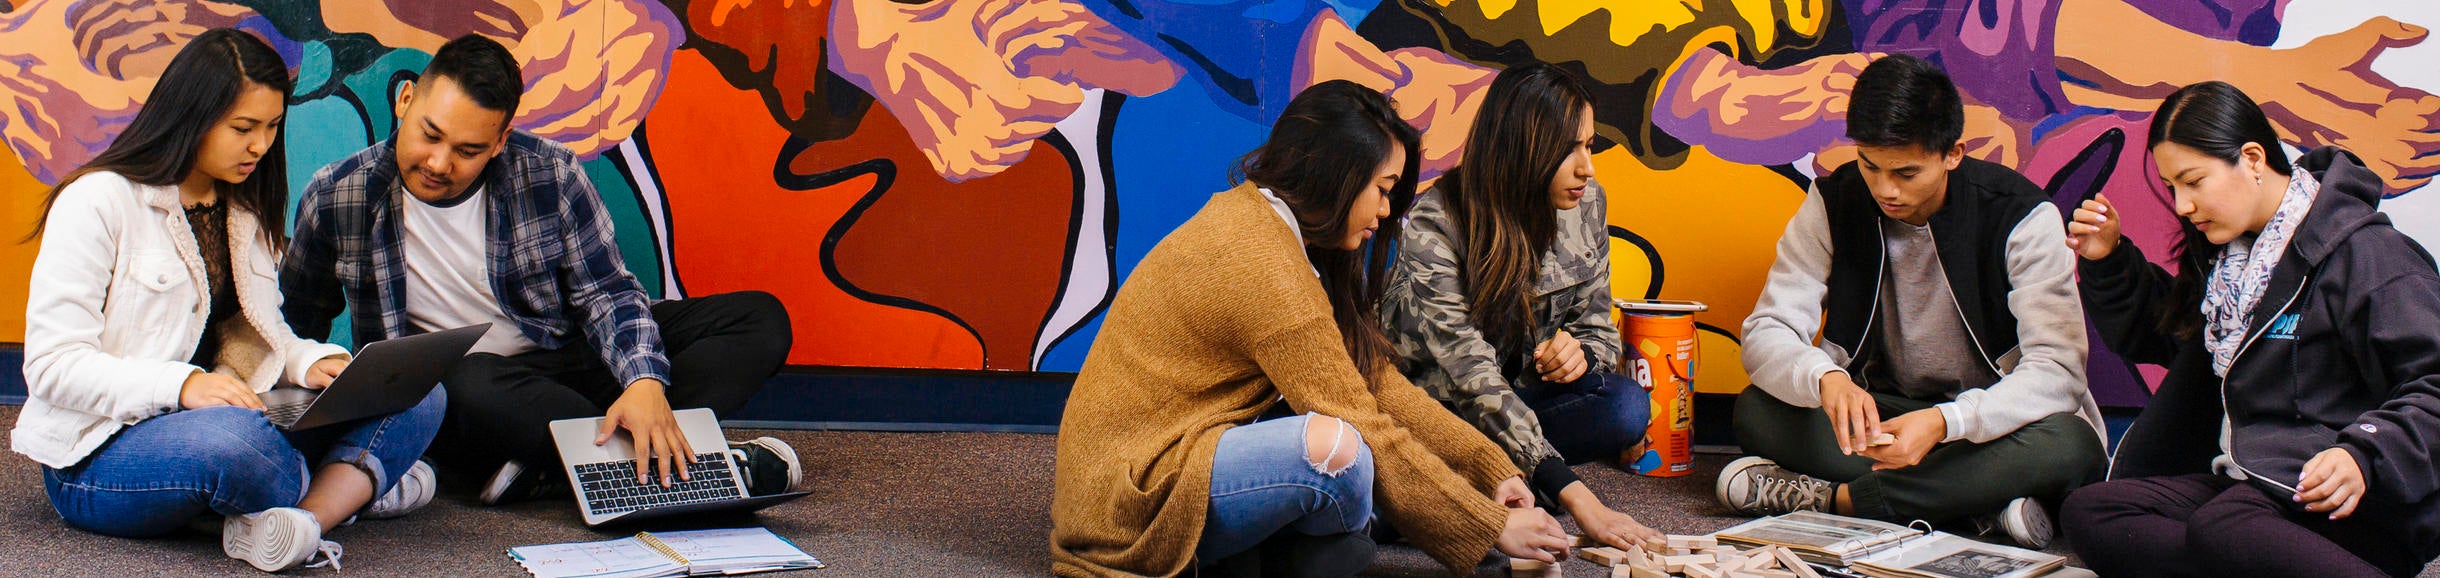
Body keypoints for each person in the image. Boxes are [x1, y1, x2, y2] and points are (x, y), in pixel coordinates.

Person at [1050, 80, 1573, 577]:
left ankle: (1285, 551)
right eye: (1382, 188)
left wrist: (1490, 468)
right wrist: (1489, 525)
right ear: (1336, 175)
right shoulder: (1264, 263)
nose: (1387, 209)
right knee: (1340, 452)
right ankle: (1290, 551)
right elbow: (1361, 418)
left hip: (1153, 460)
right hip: (1129, 497)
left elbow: (1378, 383)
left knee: (1355, 467)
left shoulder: (1269, 227)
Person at [280, 34, 798, 506]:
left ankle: (557, 464)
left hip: (567, 363)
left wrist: (643, 383)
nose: (439, 163)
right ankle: (672, 462)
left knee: (760, 320)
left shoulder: (549, 173)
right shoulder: (338, 196)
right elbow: (298, 320)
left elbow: (609, 294)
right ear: (406, 100)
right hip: (470, 390)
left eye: (468, 151)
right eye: (429, 135)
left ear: (501, 140)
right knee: (465, 379)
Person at [14, 28, 443, 572]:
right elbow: (52, 366)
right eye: (243, 128)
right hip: (103, 454)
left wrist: (311, 363)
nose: (260, 146)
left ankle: (302, 520)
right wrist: (184, 385)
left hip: (237, 421)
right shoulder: (98, 201)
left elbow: (264, 334)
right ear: (190, 115)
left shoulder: (243, 209)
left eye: (271, 128)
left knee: (420, 389)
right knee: (243, 444)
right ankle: (356, 486)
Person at [1721, 53, 2106, 548]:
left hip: (1989, 424)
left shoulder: (2022, 217)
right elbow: (1767, 330)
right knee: (1757, 410)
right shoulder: (1833, 199)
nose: (1886, 189)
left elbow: (2058, 373)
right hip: (1885, 417)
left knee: (2072, 445)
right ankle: (1977, 504)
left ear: (1953, 153)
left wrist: (1947, 422)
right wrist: (1827, 379)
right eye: (1869, 165)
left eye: (1906, 172)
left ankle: (1837, 502)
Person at [2059, 80, 2440, 577]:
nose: (2182, 205)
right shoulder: (2233, 265)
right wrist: (2109, 260)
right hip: (2255, 482)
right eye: (2173, 187)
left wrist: (2364, 452)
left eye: (2194, 181)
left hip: (2353, 500)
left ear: (2254, 159)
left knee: (2226, 527)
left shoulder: (2370, 254)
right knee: (2094, 510)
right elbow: (2167, 337)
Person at [1378, 62, 1661, 550]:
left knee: (1625, 406)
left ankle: (1481, 489)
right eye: (1566, 149)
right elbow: (1471, 378)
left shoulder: (1587, 203)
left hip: (1522, 404)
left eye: (1588, 146)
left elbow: (1599, 331)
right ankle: (1469, 490)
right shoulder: (1434, 225)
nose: (1586, 167)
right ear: (1521, 149)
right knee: (1379, 495)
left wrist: (1582, 355)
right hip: (1440, 419)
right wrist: (1580, 499)